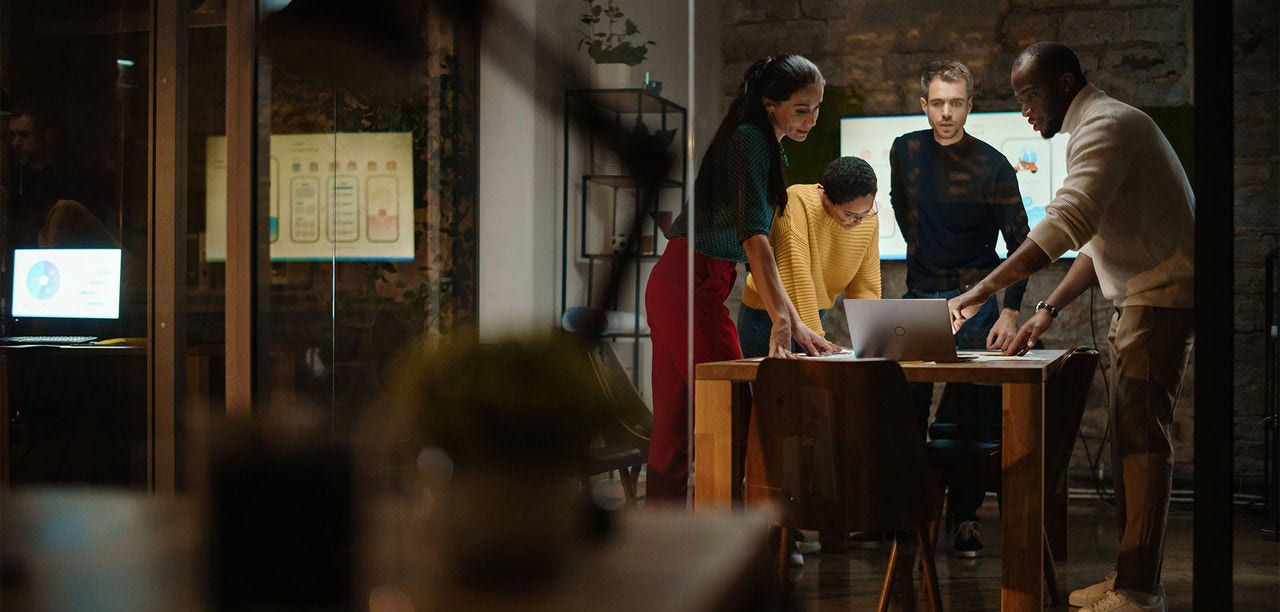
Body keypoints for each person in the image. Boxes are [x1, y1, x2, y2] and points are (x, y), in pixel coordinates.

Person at [949, 42, 1194, 612]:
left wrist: (983, 290)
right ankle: (1127, 577)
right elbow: (1093, 243)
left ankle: (1139, 590)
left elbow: (1066, 224)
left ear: (1064, 84)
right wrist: (1047, 309)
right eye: (1019, 99)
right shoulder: (1096, 125)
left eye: (1031, 95)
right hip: (1140, 298)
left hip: (1156, 300)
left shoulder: (1105, 124)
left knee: (1141, 446)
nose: (1027, 110)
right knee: (1130, 446)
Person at [645, 54, 838, 507]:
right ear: (770, 103)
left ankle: (663, 536)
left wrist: (798, 324)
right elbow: (755, 242)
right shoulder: (751, 140)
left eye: (817, 108)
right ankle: (724, 537)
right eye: (801, 109)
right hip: (690, 285)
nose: (811, 119)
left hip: (684, 282)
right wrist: (782, 324)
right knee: (731, 416)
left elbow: (756, 251)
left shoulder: (759, 140)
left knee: (677, 423)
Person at [889, 59, 1030, 557]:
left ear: (970, 105)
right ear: (923, 104)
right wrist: (927, 264)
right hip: (920, 296)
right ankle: (905, 514)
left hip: (978, 302)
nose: (946, 113)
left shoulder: (993, 164)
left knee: (974, 414)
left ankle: (965, 518)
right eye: (938, 103)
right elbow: (902, 209)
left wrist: (1010, 310)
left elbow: (1021, 243)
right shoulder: (903, 150)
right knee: (902, 410)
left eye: (956, 103)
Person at [737, 155, 880, 358]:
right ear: (828, 199)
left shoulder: (867, 221)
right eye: (849, 215)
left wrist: (874, 342)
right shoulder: (797, 202)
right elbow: (797, 277)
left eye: (865, 213)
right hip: (769, 317)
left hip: (813, 314)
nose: (858, 221)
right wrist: (820, 344)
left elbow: (865, 287)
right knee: (778, 389)